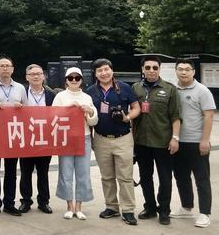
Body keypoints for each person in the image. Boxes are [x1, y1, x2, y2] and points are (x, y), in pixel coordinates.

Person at [85, 58, 140, 226]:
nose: (104, 73)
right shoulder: (90, 91)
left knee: (125, 177)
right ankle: (111, 206)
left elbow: (136, 107)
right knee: (107, 177)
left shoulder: (124, 87)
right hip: (101, 138)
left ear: (111, 70)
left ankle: (128, 209)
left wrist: (127, 118)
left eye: (106, 69)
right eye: (100, 70)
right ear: (95, 74)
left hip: (123, 138)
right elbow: (89, 116)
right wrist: (91, 137)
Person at [132, 55, 181, 225]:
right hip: (141, 142)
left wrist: (175, 138)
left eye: (155, 67)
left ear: (159, 69)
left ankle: (164, 210)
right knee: (145, 177)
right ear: (142, 69)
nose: (151, 71)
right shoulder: (136, 88)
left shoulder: (169, 89)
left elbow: (176, 117)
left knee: (165, 179)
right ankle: (150, 208)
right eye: (148, 67)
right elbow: (132, 114)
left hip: (163, 142)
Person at [171, 59, 215, 228]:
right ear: (176, 71)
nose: (184, 72)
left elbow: (209, 116)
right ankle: (186, 206)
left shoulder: (202, 90)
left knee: (201, 179)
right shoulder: (173, 89)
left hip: (196, 142)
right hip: (177, 141)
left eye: (187, 69)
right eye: (180, 69)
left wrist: (205, 140)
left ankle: (204, 213)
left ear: (193, 72)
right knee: (181, 177)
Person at [53, 67, 98, 220]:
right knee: (65, 173)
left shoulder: (87, 97)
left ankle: (79, 206)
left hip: (83, 137)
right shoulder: (60, 96)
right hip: (65, 138)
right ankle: (69, 206)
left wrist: (89, 111)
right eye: (70, 78)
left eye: (77, 78)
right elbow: (52, 116)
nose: (74, 80)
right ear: (66, 80)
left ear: (81, 80)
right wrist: (67, 109)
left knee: (83, 173)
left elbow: (93, 121)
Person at [0, 56, 26, 217]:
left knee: (11, 171)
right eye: (1, 66)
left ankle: (9, 203)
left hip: (13, 134)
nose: (5, 68)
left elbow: (27, 111)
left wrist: (20, 108)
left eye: (7, 66)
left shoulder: (20, 88)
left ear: (13, 69)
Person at [19, 64, 56, 215]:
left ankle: (43, 201)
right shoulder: (21, 93)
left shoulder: (51, 94)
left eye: (39, 74)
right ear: (27, 77)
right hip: (26, 138)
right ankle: (26, 201)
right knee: (25, 172)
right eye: (32, 74)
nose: (36, 76)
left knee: (43, 172)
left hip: (45, 138)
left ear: (43, 76)